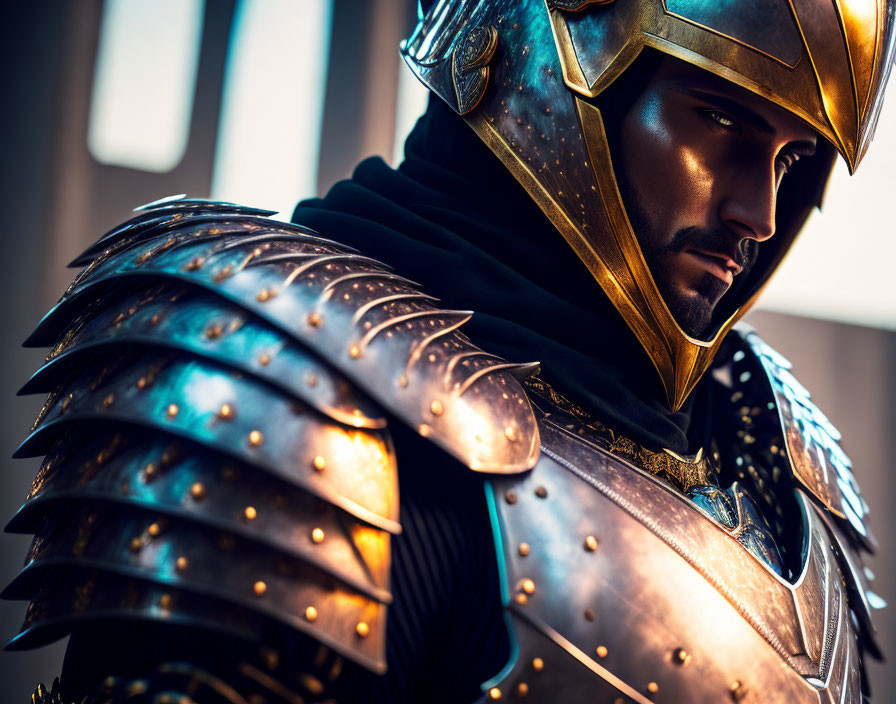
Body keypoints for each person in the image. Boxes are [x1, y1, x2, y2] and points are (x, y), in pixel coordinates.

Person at [6, 1, 892, 702]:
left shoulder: (779, 455)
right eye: (721, 120)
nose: (758, 217)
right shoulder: (283, 367)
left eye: (790, 160)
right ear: (561, 70)